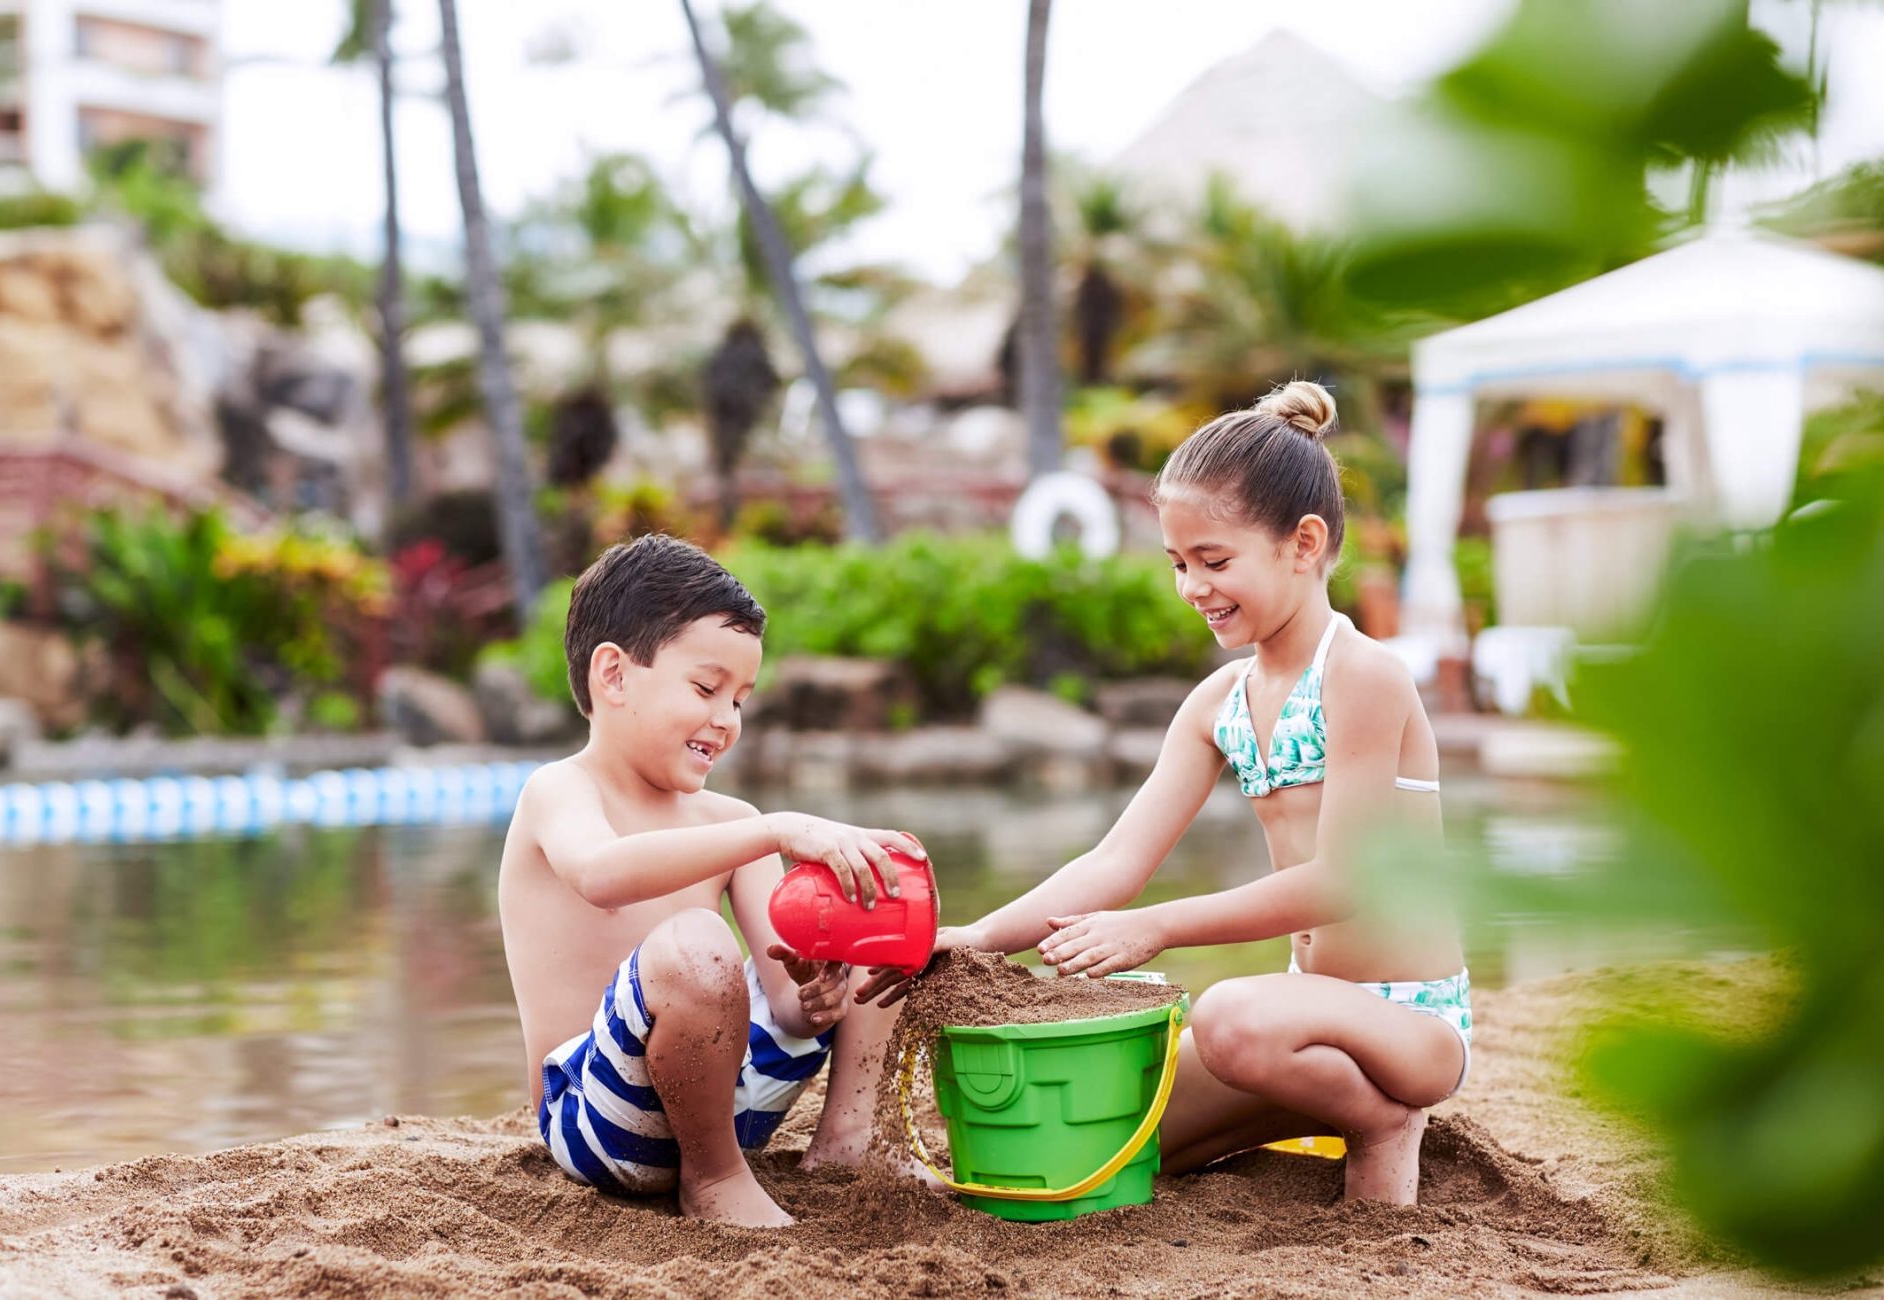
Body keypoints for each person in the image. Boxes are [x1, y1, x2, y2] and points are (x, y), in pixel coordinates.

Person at [862, 382, 1466, 1205]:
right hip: (1304, 1018)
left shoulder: (1364, 676)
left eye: (1215, 561)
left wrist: (1156, 928)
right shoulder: (1217, 703)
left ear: (1304, 543)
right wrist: (975, 938)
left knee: (1229, 1017)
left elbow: (1342, 883)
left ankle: (1383, 1121)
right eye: (1179, 563)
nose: (1192, 587)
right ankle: (1323, 1104)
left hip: (1408, 1023)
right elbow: (1115, 862)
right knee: (1104, 1154)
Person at [500, 533, 922, 1227]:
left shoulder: (733, 820)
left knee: (869, 902)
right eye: (705, 689)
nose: (726, 722)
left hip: (732, 1102)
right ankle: (715, 1181)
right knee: (697, 940)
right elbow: (602, 876)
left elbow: (788, 1009)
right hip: (603, 1122)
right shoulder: (560, 791)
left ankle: (848, 1138)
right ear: (614, 676)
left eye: (740, 699)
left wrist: (819, 994)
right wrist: (775, 829)